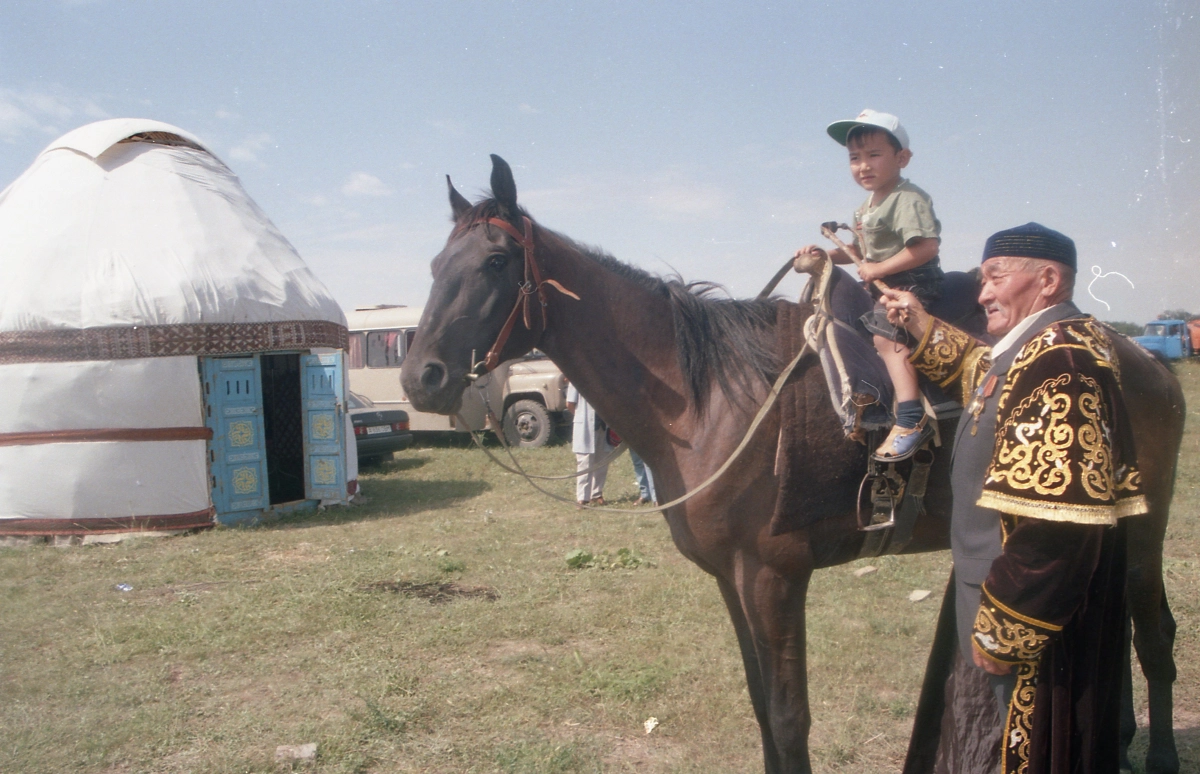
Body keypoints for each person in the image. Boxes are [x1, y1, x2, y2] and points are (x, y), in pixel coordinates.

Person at [882, 223, 1146, 774]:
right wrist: (918, 321)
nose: (981, 295)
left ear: (1047, 279)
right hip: (1007, 595)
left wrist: (1007, 629)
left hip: (1028, 614)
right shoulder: (1039, 346)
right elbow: (981, 369)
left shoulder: (1063, 364)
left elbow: (1059, 525)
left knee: (1031, 748)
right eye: (982, 280)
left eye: (995, 278)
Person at [795, 109, 944, 460]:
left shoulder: (907, 199)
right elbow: (860, 254)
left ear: (902, 158)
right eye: (854, 158)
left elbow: (926, 247)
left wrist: (880, 268)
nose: (863, 165)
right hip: (881, 280)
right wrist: (827, 255)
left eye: (874, 155)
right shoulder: (866, 208)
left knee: (884, 330)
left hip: (914, 280)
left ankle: (911, 415)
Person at [565, 382, 611, 506]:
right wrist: (581, 416)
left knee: (602, 460)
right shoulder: (575, 378)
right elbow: (570, 404)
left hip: (603, 426)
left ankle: (596, 494)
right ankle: (583, 498)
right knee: (585, 462)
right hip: (585, 425)